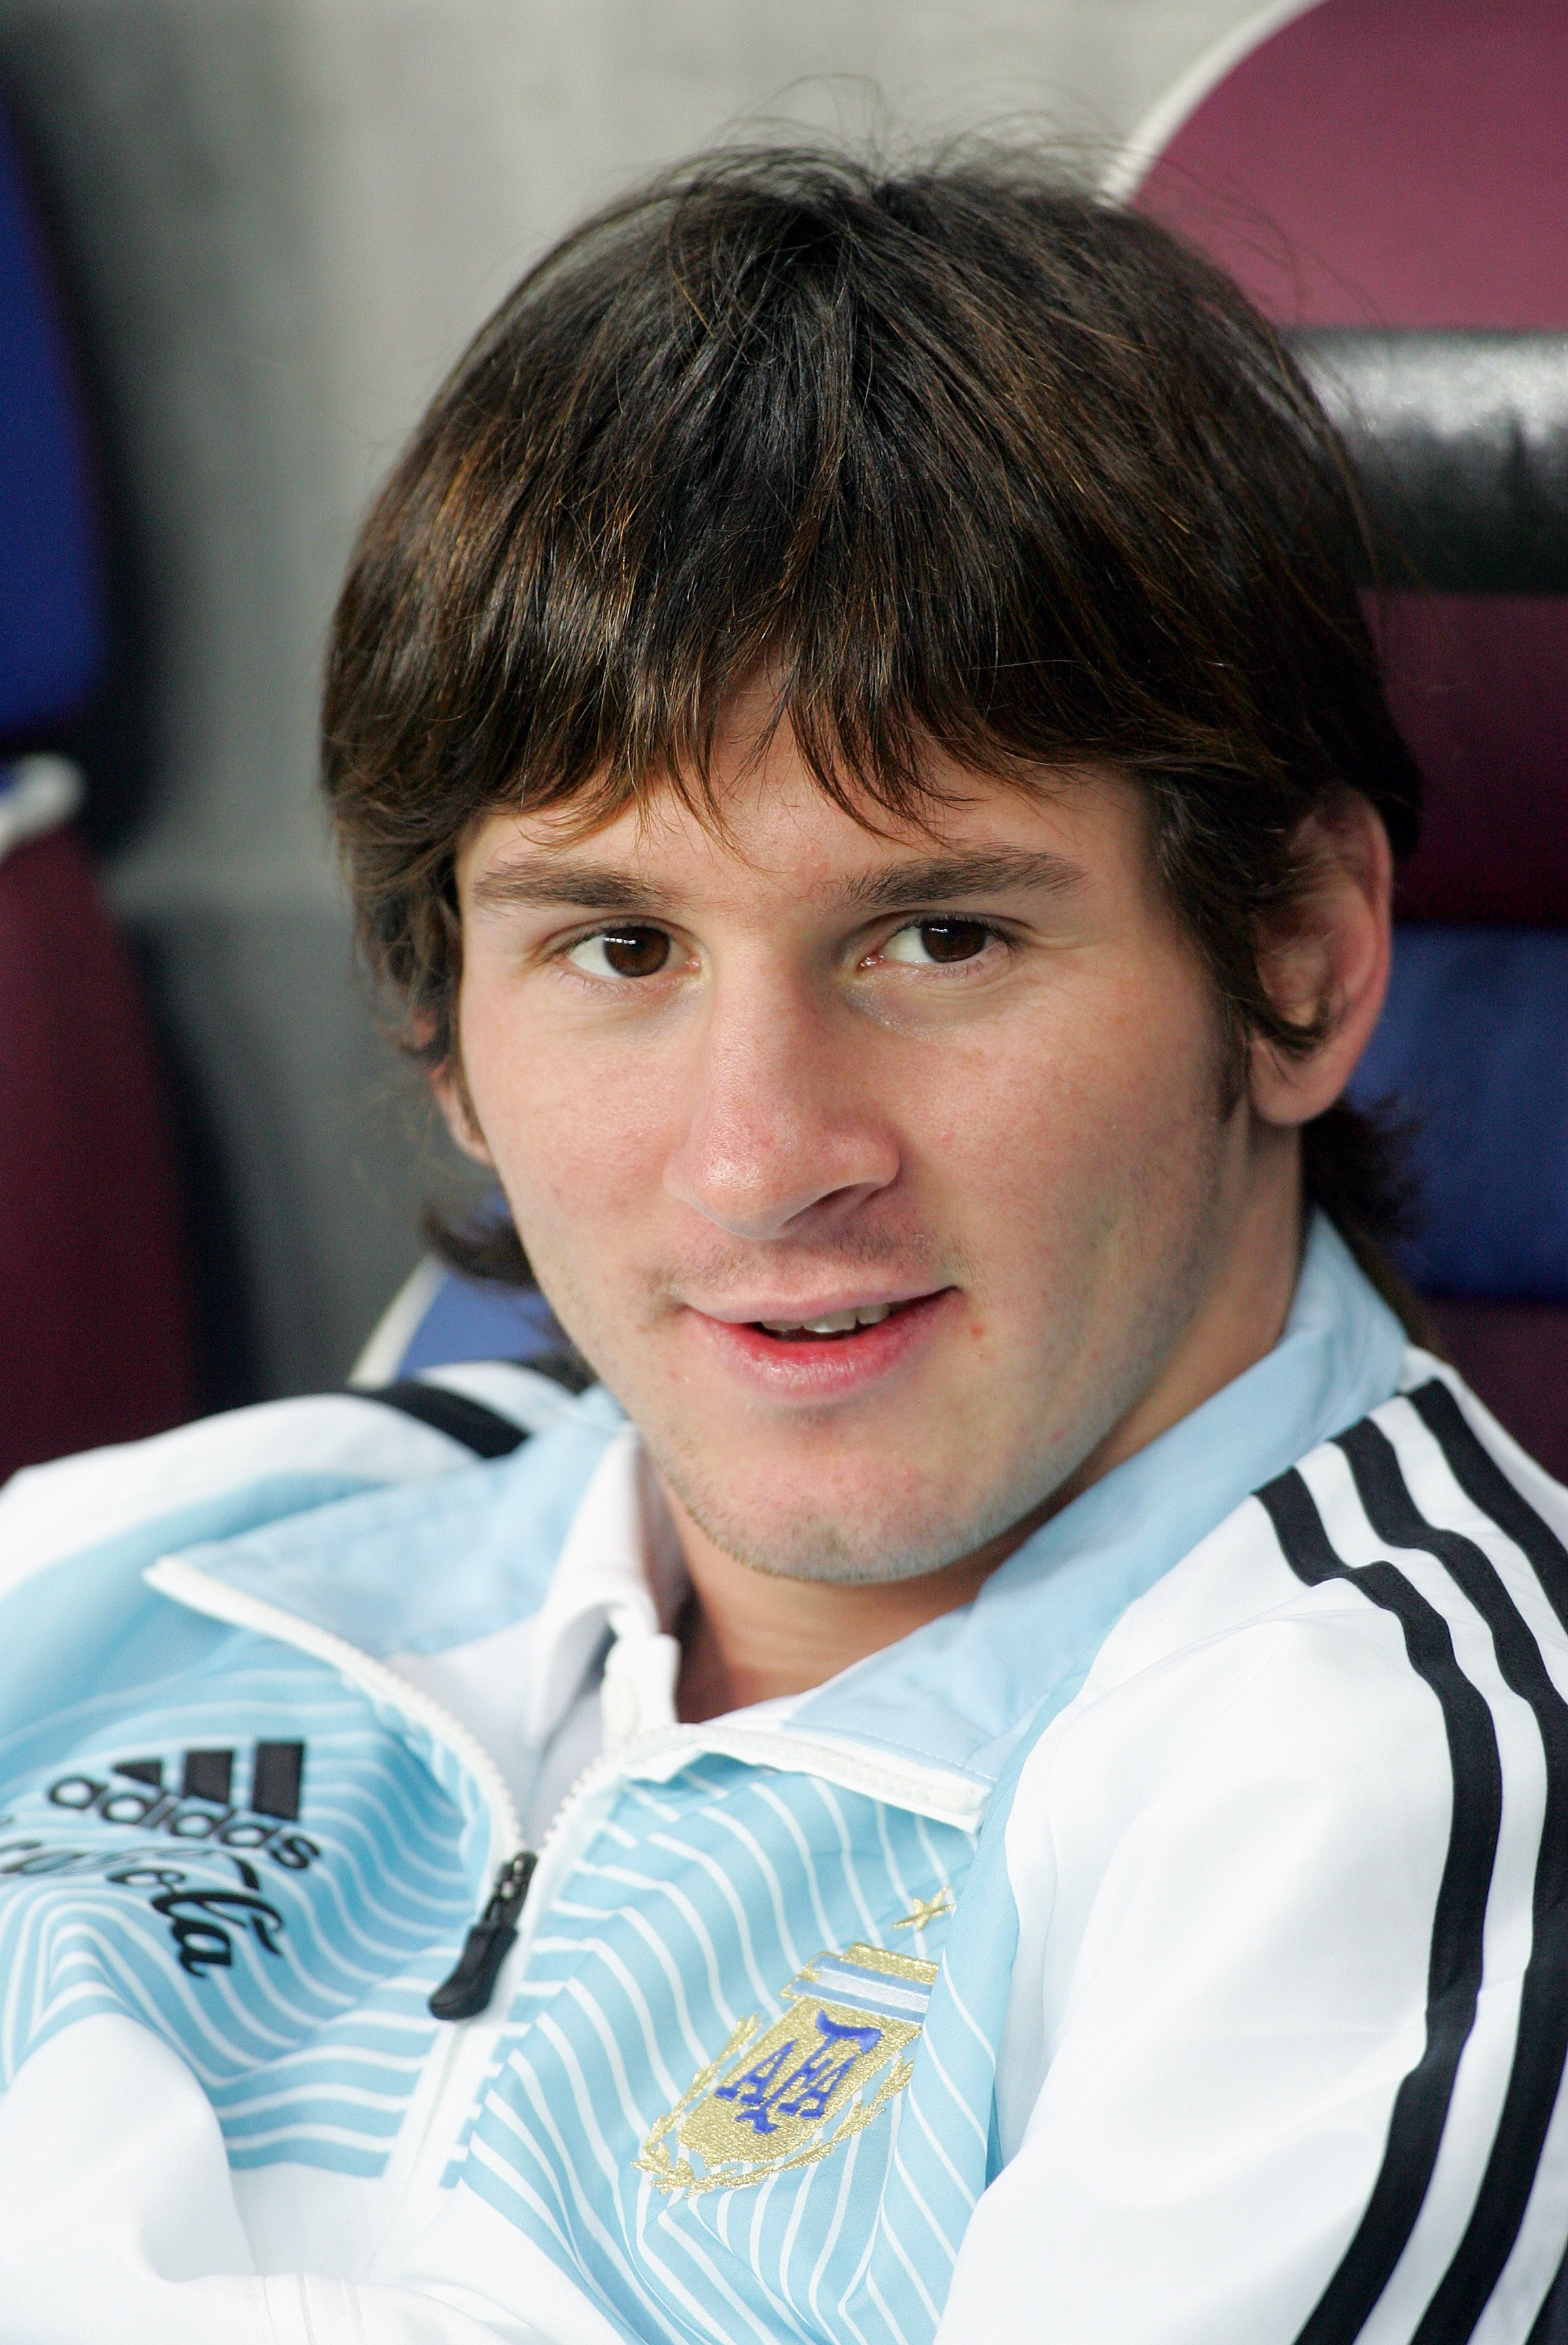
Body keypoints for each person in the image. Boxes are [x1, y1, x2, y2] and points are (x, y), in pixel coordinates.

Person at [1, 147, 1565, 2345]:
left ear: (1295, 959)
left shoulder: (1391, 1777)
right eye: (619, 944)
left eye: (938, 934)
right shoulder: (140, 1574)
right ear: (444, 1021)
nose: (761, 1160)